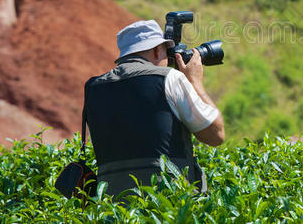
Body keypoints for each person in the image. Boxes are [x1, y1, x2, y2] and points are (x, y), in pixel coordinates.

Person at [84, 19, 224, 196]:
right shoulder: (168, 78)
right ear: (158, 50)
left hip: (112, 206)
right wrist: (195, 82)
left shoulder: (94, 87)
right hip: (166, 203)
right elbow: (216, 135)